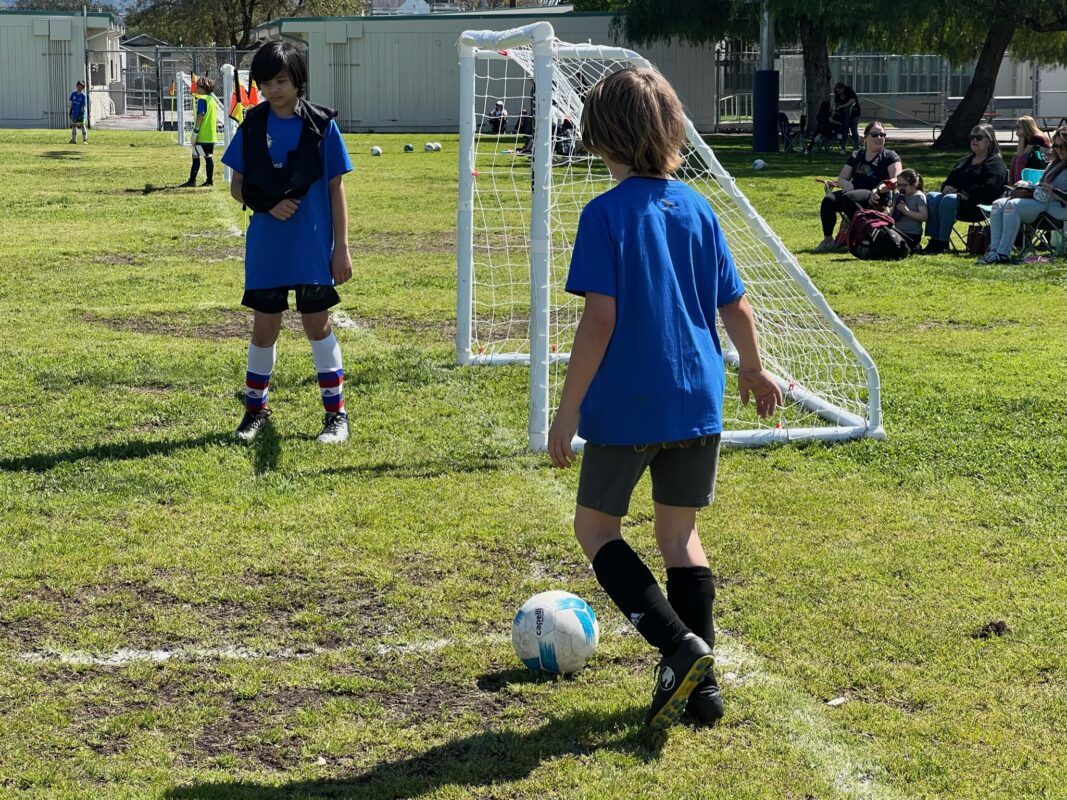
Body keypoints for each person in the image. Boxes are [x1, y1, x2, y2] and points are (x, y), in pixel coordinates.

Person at [545, 67, 783, 731]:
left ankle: (680, 647)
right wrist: (754, 371)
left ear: (597, 136)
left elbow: (599, 321)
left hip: (629, 400)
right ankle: (703, 696)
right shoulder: (698, 208)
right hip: (697, 397)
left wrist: (567, 411)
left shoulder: (603, 214)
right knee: (678, 536)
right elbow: (736, 305)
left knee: (594, 531)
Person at [220, 42, 354, 444]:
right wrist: (270, 204)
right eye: (265, 82)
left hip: (312, 246)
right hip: (267, 248)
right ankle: (254, 412)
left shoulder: (323, 126)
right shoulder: (252, 126)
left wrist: (341, 247)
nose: (273, 89)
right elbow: (237, 188)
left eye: (281, 80)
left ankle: (336, 415)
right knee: (264, 330)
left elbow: (336, 190)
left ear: (298, 80)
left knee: (318, 325)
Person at [980, 125, 1067, 264]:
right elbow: (1041, 185)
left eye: (1062, 146)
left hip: (1059, 207)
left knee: (1013, 205)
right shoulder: (1055, 164)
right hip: (1041, 200)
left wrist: (1054, 192)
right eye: (1055, 146)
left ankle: (1003, 253)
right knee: (998, 204)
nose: (1058, 150)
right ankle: (994, 251)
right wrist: (1028, 186)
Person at [815, 121, 902, 252]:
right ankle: (828, 241)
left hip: (875, 195)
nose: (879, 137)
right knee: (829, 200)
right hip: (852, 194)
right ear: (865, 137)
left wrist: (880, 187)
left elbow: (897, 179)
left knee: (848, 197)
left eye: (882, 134)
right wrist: (847, 184)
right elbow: (842, 178)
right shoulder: (856, 155)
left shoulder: (890, 156)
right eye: (875, 134)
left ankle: (865, 233)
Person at [923, 124, 1008, 254]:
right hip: (956, 203)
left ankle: (942, 242)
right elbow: (949, 180)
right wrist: (946, 188)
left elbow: (989, 189)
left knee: (949, 199)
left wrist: (962, 193)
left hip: (977, 206)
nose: (974, 140)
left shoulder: (995, 163)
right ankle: (934, 240)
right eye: (972, 137)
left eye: (979, 137)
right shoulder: (965, 161)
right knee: (932, 196)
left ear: (989, 140)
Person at [181, 76, 218, 187]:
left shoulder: (202, 100)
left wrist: (195, 132)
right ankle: (209, 181)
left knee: (195, 156)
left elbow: (200, 116)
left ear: (203, 88)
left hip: (202, 135)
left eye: (197, 85)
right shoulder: (212, 100)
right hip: (211, 135)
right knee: (208, 157)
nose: (195, 87)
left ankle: (192, 181)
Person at [892, 169, 928, 251]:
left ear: (914, 185)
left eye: (904, 185)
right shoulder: (897, 195)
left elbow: (924, 216)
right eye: (899, 185)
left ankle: (916, 247)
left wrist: (907, 211)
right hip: (897, 231)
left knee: (898, 248)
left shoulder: (918, 196)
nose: (901, 188)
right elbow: (892, 213)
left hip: (912, 234)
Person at [1009, 116, 1050, 183]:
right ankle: (1014, 182)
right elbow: (1020, 154)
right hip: (1033, 160)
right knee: (1015, 158)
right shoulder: (1027, 137)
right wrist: (1021, 137)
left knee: (1019, 160)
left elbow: (1022, 155)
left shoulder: (1036, 137)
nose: (1017, 128)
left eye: (1018, 127)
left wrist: (1021, 137)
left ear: (1026, 127)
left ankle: (1018, 182)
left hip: (1041, 162)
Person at [831, 82, 861, 150]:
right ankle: (843, 147)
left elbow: (853, 101)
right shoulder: (838, 96)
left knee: (854, 130)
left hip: (854, 114)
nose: (838, 92)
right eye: (837, 91)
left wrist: (842, 106)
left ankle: (856, 147)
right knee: (844, 130)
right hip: (844, 115)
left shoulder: (850, 92)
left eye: (839, 90)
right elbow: (836, 104)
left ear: (843, 88)